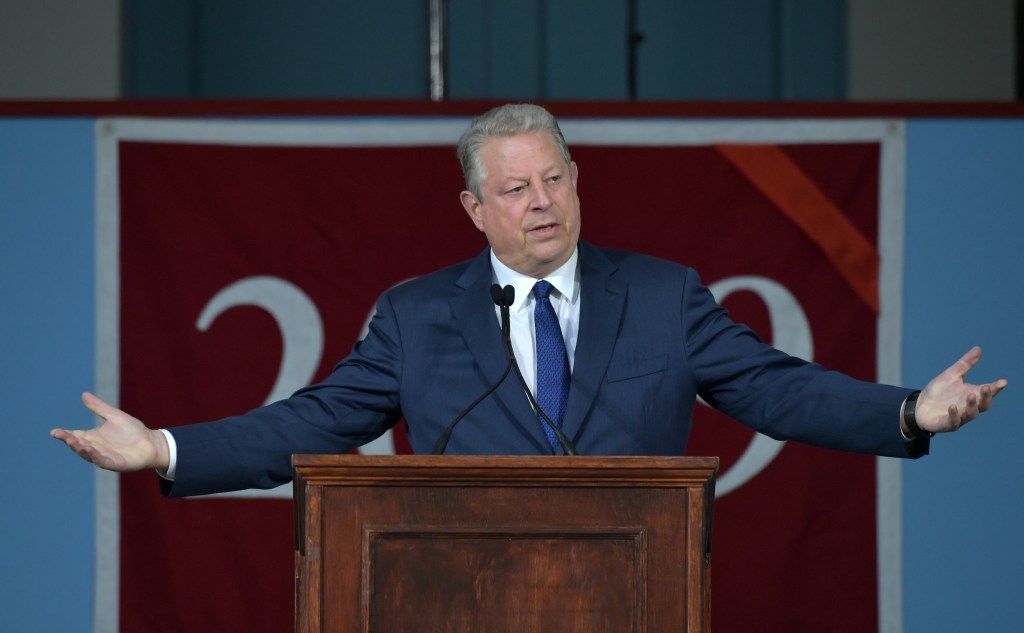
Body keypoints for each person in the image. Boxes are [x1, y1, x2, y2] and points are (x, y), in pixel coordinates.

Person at [51, 104, 1007, 497]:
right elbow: (318, 420)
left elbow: (775, 389)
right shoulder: (417, 315)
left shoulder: (664, 296)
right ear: (475, 208)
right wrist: (166, 449)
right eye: (516, 189)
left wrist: (909, 413)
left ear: (576, 180)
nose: (542, 201)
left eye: (554, 179)